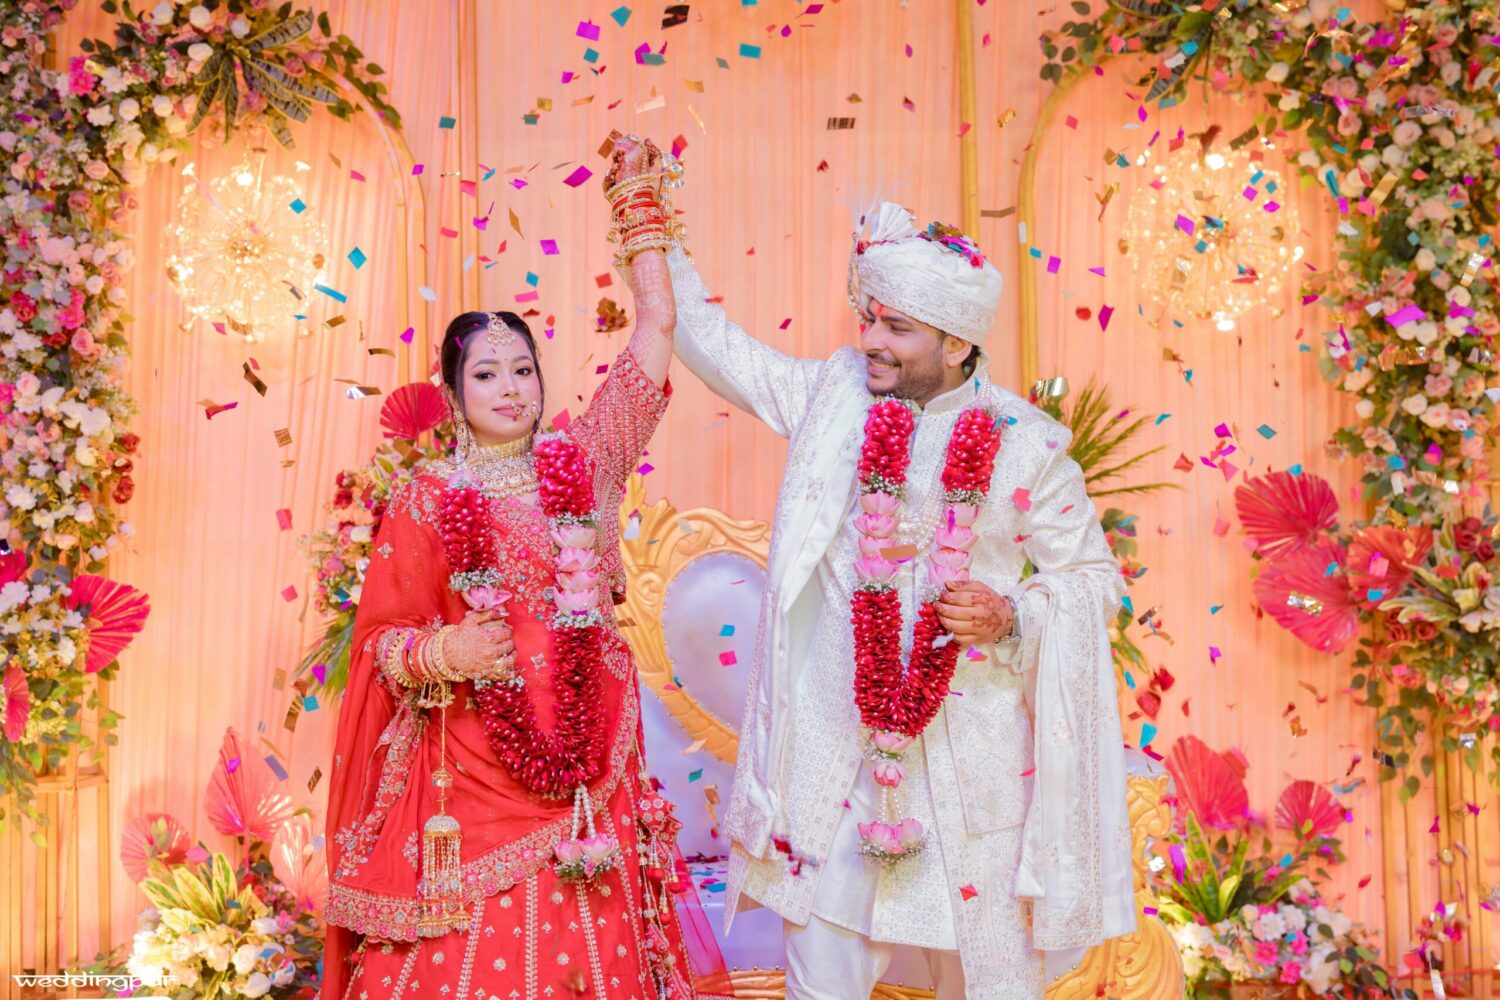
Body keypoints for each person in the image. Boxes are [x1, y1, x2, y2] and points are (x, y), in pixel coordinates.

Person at [660, 196, 1136, 997]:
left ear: (957, 343)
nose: (871, 340)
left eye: (897, 328)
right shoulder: (835, 400)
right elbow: (718, 345)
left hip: (970, 774)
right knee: (822, 982)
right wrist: (654, 235)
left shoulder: (1028, 446)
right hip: (838, 761)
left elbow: (1095, 582)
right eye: (871, 317)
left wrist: (1011, 613)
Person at [323, 136, 707, 1000]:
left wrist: (639, 212)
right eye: (487, 373)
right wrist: (443, 652)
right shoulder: (428, 495)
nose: (510, 387)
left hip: (588, 749)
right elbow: (381, 642)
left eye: (523, 369)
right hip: (472, 759)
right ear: (454, 394)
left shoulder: (588, 461)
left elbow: (658, 328)